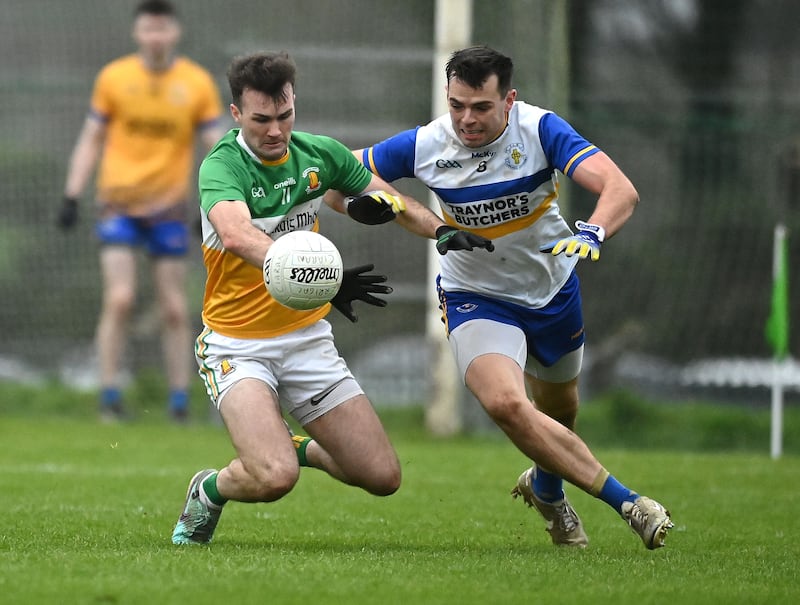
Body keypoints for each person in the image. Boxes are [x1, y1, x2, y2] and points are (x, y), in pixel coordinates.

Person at [345, 46, 674, 549]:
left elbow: (619, 189)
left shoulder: (540, 130)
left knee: (559, 410)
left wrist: (593, 232)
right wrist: (393, 204)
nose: (466, 119)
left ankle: (546, 489)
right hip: (475, 294)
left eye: (480, 107)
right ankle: (629, 504)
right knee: (505, 401)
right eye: (456, 105)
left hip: (552, 287)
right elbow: (337, 176)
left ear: (510, 100)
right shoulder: (426, 143)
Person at [170, 51, 491, 545]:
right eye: (261, 119)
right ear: (236, 115)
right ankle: (210, 490)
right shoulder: (223, 166)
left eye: (285, 115)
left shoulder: (319, 154)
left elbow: (392, 200)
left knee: (382, 477)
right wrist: (317, 274)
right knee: (274, 477)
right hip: (237, 347)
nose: (275, 130)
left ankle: (289, 445)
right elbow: (236, 234)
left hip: (307, 343)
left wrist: (442, 231)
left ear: (294, 105)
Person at [57, 0, 226, 423]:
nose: (156, 37)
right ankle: (109, 395)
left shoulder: (196, 83)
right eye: (148, 29)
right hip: (117, 204)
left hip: (169, 209)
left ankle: (179, 402)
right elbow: (91, 137)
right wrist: (72, 194)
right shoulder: (114, 78)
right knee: (120, 298)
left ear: (175, 33)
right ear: (137, 33)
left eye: (162, 29)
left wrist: (215, 199)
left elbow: (218, 147)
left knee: (173, 306)